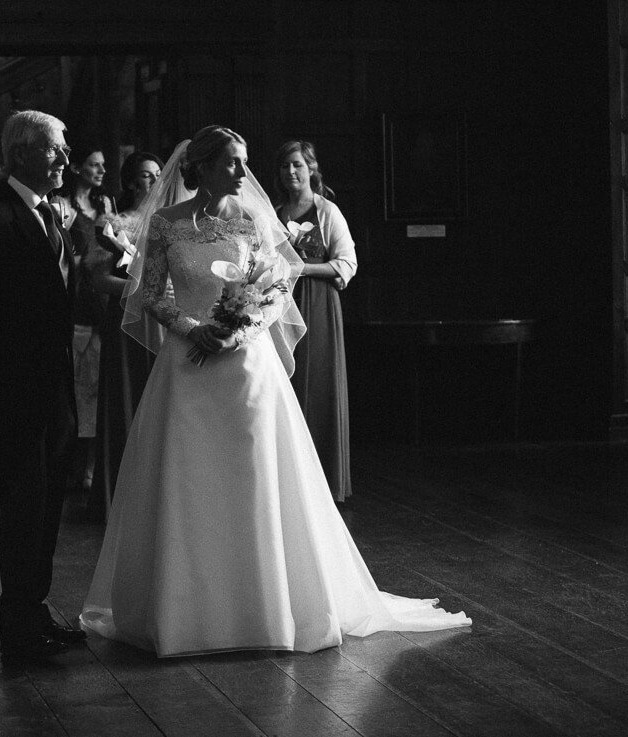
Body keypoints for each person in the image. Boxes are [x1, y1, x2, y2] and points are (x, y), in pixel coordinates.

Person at [79, 125, 470, 657]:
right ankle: (186, 608)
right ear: (205, 168)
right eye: (233, 163)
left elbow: (279, 284)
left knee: (257, 474)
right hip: (187, 370)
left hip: (249, 368)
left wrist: (241, 328)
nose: (244, 172)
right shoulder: (168, 225)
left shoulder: (255, 219)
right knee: (189, 479)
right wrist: (194, 328)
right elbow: (148, 294)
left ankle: (268, 606)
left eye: (244, 161)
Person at [0, 109, 86, 662]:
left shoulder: (51, 214)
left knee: (48, 506)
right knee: (23, 511)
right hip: (17, 394)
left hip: (55, 390)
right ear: (23, 152)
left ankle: (36, 613)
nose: (66, 159)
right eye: (56, 149)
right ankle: (18, 630)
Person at [273, 140, 357, 502]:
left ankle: (324, 484)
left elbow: (346, 264)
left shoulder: (327, 212)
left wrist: (301, 267)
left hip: (319, 306)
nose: (291, 172)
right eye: (285, 166)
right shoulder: (275, 212)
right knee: (286, 385)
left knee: (319, 384)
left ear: (311, 169)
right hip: (278, 307)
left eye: (297, 166)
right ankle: (291, 485)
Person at [85, 151, 164, 519]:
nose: (153, 181)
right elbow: (99, 279)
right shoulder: (115, 222)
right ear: (132, 181)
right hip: (126, 324)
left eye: (158, 174)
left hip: (163, 323)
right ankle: (116, 496)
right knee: (125, 399)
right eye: (146, 176)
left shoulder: (170, 221)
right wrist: (140, 292)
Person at [51, 145, 114, 493]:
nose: (101, 171)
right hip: (73, 297)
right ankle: (67, 462)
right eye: (94, 164)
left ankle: (88, 465)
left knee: (92, 384)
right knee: (72, 382)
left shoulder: (105, 205)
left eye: (103, 165)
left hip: (99, 298)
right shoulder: (61, 205)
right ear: (77, 168)